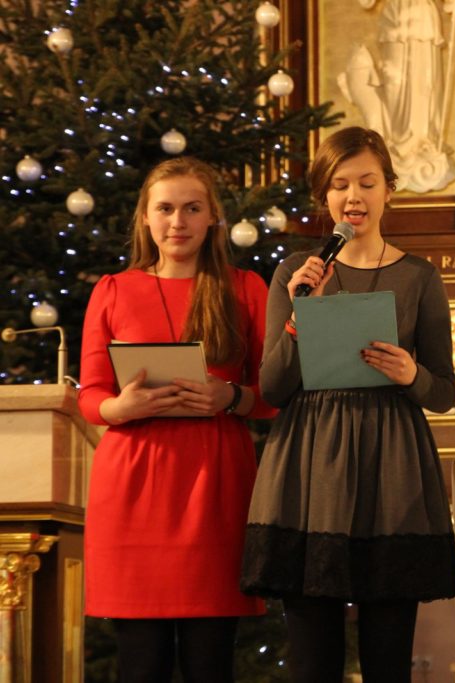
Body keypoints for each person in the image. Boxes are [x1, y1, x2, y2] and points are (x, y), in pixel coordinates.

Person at [240, 126, 455, 681]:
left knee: (388, 654)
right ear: (325, 196)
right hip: (309, 461)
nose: (353, 196)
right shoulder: (296, 272)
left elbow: (444, 391)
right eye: (340, 185)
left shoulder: (418, 276)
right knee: (313, 656)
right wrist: (301, 315)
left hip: (391, 462)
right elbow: (272, 389)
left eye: (367, 182)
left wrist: (411, 374)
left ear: (389, 189)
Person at [78, 157, 275, 681]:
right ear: (145, 217)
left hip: (215, 486)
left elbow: (274, 395)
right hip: (133, 487)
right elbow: (91, 394)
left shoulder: (245, 288)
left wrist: (229, 396)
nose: (177, 222)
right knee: (141, 664)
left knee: (210, 663)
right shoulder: (113, 289)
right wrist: (119, 408)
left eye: (192, 208)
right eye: (164, 209)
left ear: (213, 217)